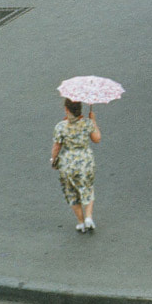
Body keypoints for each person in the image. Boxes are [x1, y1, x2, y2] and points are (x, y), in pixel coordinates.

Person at [51, 98, 101, 234]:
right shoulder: (87, 123)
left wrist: (53, 159)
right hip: (85, 161)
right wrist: (93, 121)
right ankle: (89, 217)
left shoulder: (60, 126)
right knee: (88, 188)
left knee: (72, 193)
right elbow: (96, 139)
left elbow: (56, 147)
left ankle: (81, 222)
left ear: (67, 110)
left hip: (68, 163)